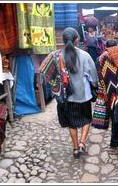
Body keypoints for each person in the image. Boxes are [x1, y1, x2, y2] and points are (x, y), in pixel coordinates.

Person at [40, 27, 98, 159]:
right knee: (86, 120)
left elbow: (43, 72)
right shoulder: (85, 55)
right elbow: (93, 77)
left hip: (66, 97)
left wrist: (55, 85)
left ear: (63, 40)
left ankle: (75, 148)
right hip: (83, 96)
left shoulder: (55, 55)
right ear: (77, 39)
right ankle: (83, 143)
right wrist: (95, 86)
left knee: (72, 124)